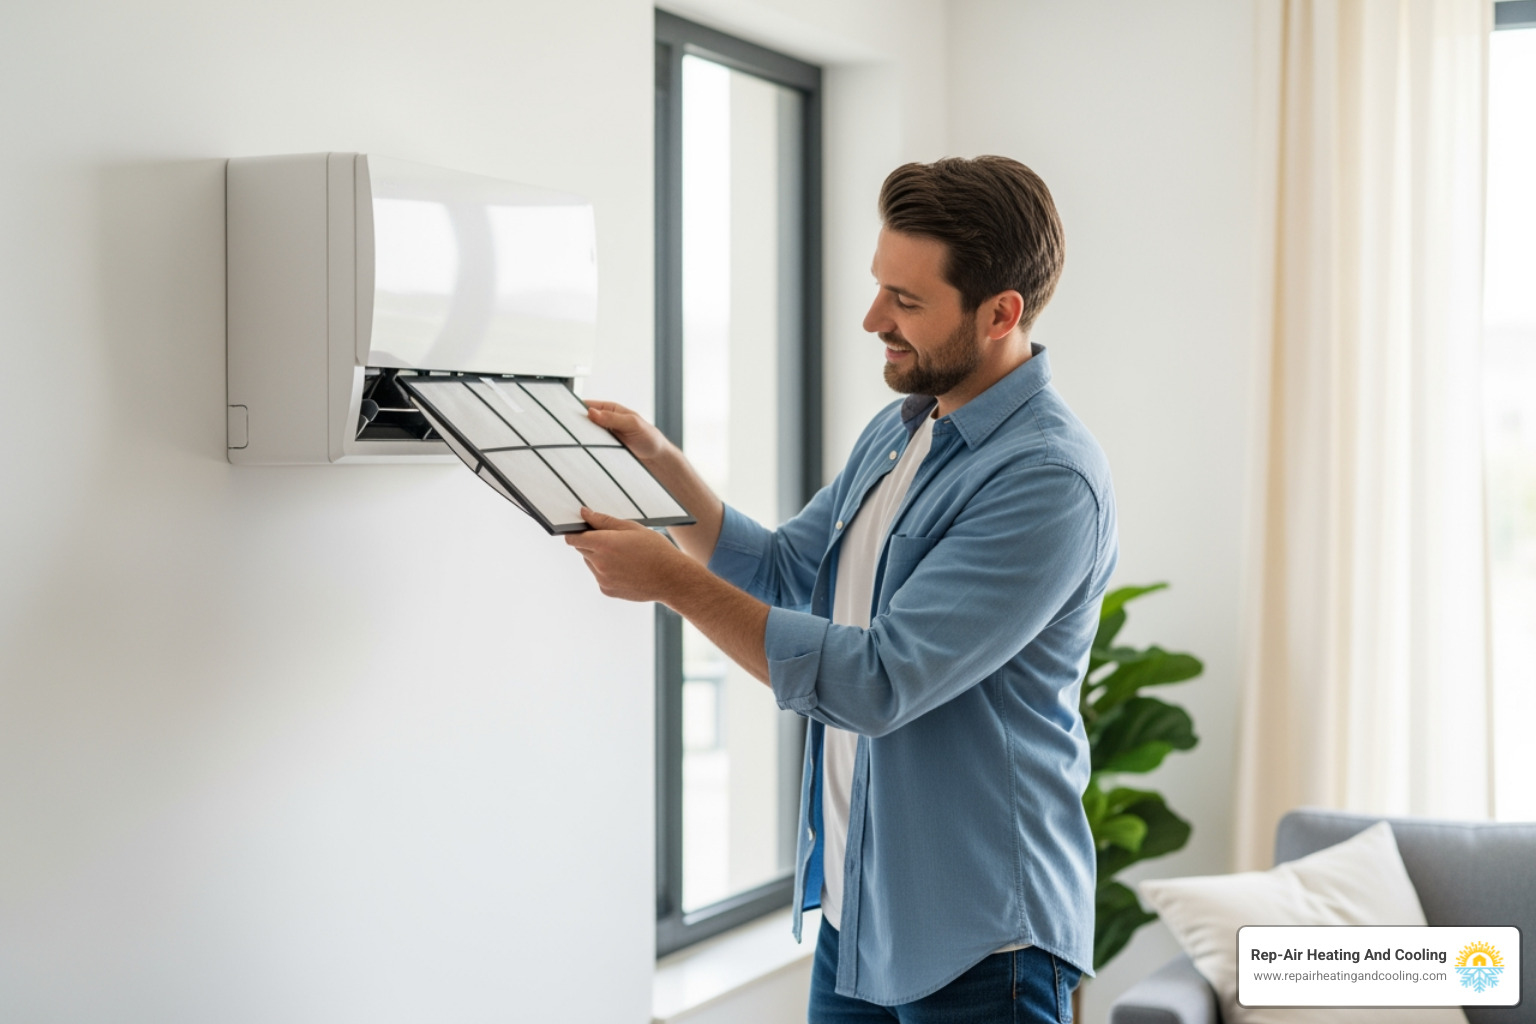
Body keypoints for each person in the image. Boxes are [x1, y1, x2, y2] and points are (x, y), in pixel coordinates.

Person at [566, 155, 1116, 1023]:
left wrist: (671, 584)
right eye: (879, 289)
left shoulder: (1047, 479)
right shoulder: (902, 430)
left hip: (984, 943)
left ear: (1001, 312)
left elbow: (877, 682)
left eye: (906, 301)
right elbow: (790, 571)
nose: (873, 320)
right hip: (861, 912)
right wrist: (664, 471)